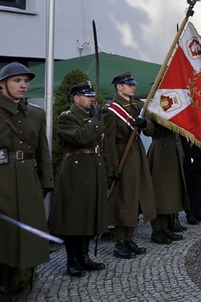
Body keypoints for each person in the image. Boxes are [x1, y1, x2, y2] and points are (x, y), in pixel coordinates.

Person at [0, 63, 53, 300]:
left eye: (25, 80)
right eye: (16, 80)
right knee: (5, 233)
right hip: (2, 180)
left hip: (29, 180)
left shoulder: (36, 113)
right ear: (2, 84)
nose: (23, 85)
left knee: (27, 233)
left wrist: (46, 181)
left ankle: (20, 279)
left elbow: (43, 150)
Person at [48, 80, 108, 277]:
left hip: (93, 169)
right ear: (76, 98)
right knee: (74, 217)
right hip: (76, 171)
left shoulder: (91, 116)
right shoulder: (68, 117)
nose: (92, 99)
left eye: (93, 95)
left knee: (89, 214)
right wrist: (95, 121)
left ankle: (84, 257)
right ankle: (72, 261)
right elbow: (81, 138)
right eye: (87, 95)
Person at [102, 71, 157, 259]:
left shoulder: (138, 106)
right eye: (129, 84)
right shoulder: (110, 111)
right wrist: (113, 168)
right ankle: (120, 242)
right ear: (119, 87)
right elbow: (107, 142)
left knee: (135, 198)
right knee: (124, 200)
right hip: (121, 156)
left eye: (133, 84)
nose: (133, 86)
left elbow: (151, 129)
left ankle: (129, 238)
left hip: (137, 154)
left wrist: (144, 124)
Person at [147, 122, 190, 244]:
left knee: (170, 194)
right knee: (159, 193)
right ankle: (157, 230)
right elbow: (148, 129)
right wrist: (145, 124)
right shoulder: (154, 106)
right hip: (160, 150)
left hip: (172, 148)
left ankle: (165, 228)